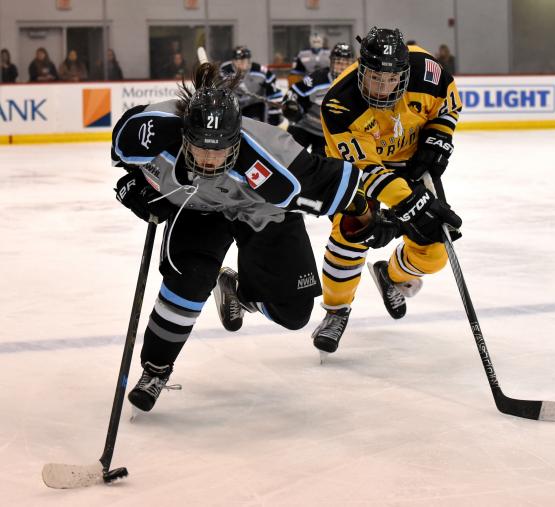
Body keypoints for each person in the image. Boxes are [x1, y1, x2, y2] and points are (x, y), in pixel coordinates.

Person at [111, 62, 384, 412]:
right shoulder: (151, 129)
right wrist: (132, 184)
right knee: (189, 283)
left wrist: (369, 215)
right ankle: (157, 368)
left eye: (220, 150)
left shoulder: (274, 158)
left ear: (237, 140)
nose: (210, 160)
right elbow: (123, 154)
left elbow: (328, 180)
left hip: (260, 211)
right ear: (184, 136)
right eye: (200, 149)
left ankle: (236, 293)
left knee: (294, 313)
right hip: (197, 209)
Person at [311, 27, 463, 356]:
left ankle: (391, 276)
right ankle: (336, 311)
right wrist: (414, 203)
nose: (381, 88)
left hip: (410, 164)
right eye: (373, 78)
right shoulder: (340, 102)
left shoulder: (429, 72)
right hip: (362, 170)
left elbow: (447, 107)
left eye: (390, 79)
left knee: (435, 251)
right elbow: (366, 170)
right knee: (350, 233)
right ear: (361, 69)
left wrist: (439, 136)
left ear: (405, 74)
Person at [281, 42, 355, 155]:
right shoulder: (318, 78)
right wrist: (291, 105)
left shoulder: (357, 83)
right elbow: (294, 92)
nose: (342, 67)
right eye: (339, 62)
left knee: (321, 166)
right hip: (305, 126)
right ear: (331, 62)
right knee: (287, 155)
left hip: (329, 134)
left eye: (346, 63)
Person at [220, 46, 283, 126]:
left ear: (249, 60)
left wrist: (274, 118)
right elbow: (217, 90)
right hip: (233, 107)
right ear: (233, 61)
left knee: (254, 128)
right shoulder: (224, 70)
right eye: (238, 60)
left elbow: (274, 93)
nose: (242, 63)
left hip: (254, 107)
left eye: (244, 60)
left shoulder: (261, 72)